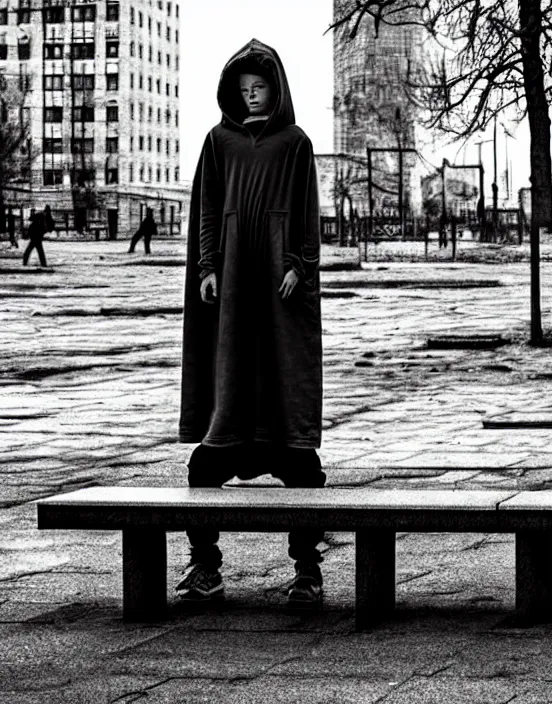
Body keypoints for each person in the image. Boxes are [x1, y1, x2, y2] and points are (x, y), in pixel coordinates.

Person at [178, 39, 324, 608]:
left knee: (300, 456)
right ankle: (205, 566)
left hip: (277, 272)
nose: (251, 95)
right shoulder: (219, 142)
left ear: (276, 88)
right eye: (243, 89)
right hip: (235, 272)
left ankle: (308, 570)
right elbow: (210, 207)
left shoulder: (296, 144)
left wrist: (299, 263)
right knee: (205, 460)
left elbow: (307, 210)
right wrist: (208, 265)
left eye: (259, 87)